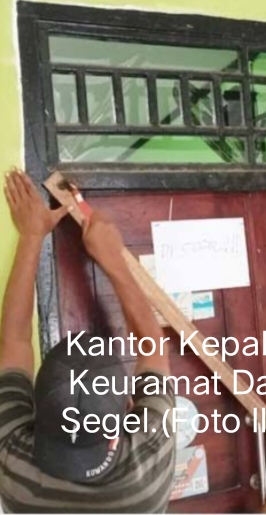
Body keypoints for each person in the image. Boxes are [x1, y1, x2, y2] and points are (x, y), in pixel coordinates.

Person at [0, 169, 175, 513]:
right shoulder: (12, 472)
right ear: (127, 409)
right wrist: (113, 258)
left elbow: (15, 344)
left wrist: (33, 236)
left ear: (35, 405)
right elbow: (14, 345)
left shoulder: (15, 464)